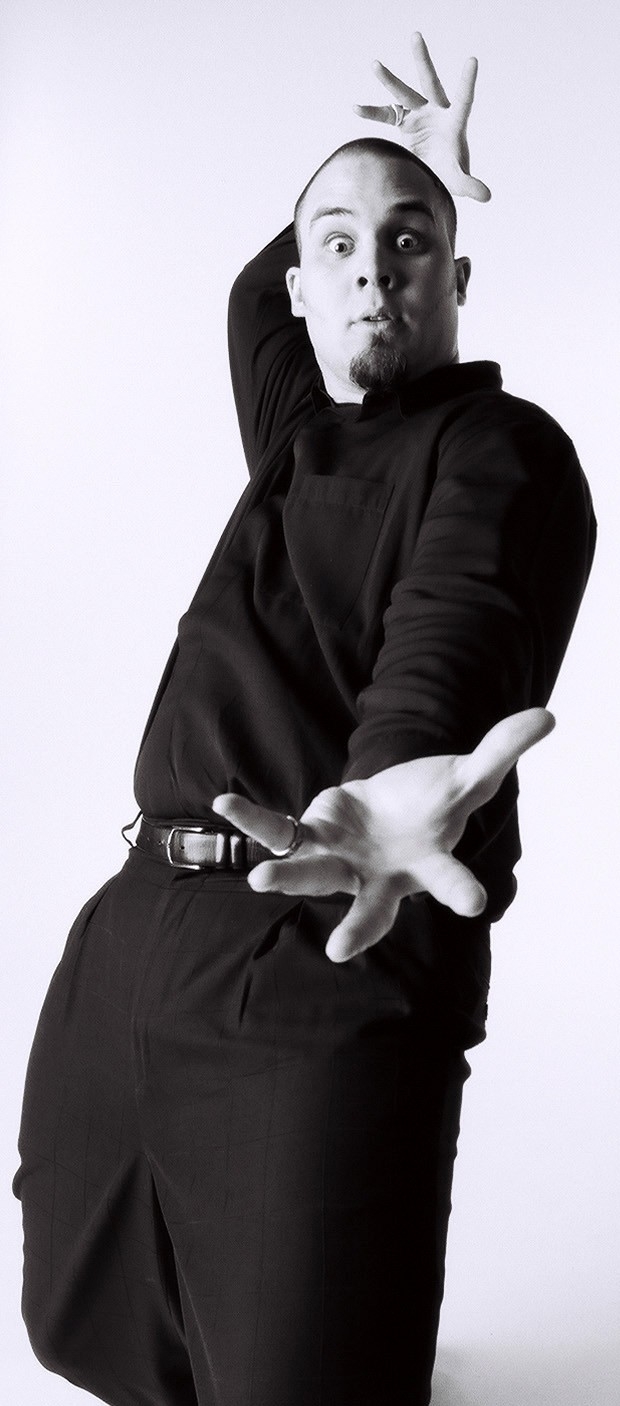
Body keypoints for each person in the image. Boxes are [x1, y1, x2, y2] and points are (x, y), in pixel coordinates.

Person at [13, 33, 596, 1406]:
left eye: (409, 243)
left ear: (458, 280)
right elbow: (249, 293)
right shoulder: (295, 431)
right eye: (337, 247)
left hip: (324, 946)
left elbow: (456, 625)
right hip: (136, 930)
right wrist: (402, 172)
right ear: (301, 283)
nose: (371, 271)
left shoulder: (501, 449)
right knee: (78, 1323)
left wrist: (389, 782)